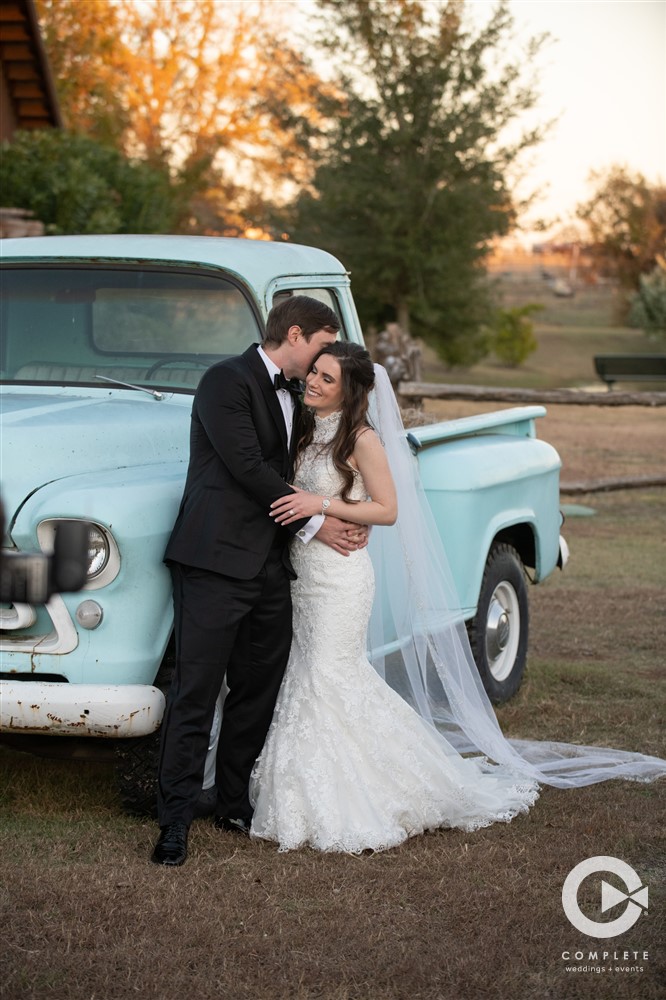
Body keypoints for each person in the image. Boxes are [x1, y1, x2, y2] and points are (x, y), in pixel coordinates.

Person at [249, 342, 666, 853]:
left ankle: (368, 793)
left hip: (341, 581)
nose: (312, 381)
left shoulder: (362, 439)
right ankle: (300, 789)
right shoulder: (307, 428)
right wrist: (318, 519)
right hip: (306, 573)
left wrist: (322, 503)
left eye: (326, 378)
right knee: (307, 673)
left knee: (330, 674)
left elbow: (388, 510)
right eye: (314, 371)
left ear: (350, 391)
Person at [151, 296, 367, 867]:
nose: (330, 357)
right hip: (215, 562)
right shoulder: (225, 380)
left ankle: (229, 801)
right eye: (324, 345)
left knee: (257, 692)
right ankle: (173, 822)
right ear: (295, 334)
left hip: (273, 567)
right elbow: (247, 467)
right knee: (196, 694)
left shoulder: (301, 394)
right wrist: (320, 522)